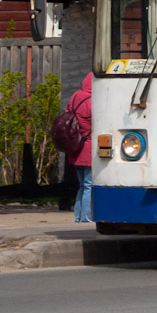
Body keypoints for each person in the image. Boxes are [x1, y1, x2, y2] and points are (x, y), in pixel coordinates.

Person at [67, 73, 94, 222]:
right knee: (89, 186)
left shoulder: (75, 97)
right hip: (88, 147)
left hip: (75, 147)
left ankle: (78, 217)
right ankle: (86, 218)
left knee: (82, 185)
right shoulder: (93, 101)